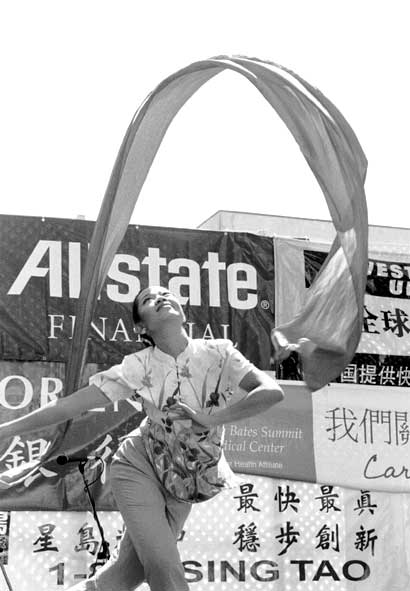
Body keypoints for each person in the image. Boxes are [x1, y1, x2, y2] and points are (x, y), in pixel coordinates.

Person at [0, 285, 284, 591]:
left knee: (125, 575)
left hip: (185, 481)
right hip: (138, 465)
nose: (161, 297)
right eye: (149, 299)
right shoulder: (138, 366)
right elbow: (69, 406)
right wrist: (4, 430)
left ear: (182, 310)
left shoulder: (219, 353)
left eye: (166, 293)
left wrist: (211, 419)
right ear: (142, 326)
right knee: (164, 566)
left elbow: (270, 392)